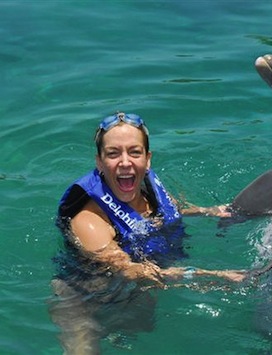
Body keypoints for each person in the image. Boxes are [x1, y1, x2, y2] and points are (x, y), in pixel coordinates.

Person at [50, 112, 246, 354]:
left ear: (147, 159)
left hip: (131, 295)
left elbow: (172, 211)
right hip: (84, 301)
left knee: (139, 330)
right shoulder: (89, 221)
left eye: (134, 152)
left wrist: (211, 211)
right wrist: (214, 276)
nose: (125, 162)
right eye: (113, 153)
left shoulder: (147, 191)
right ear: (99, 163)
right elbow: (133, 271)